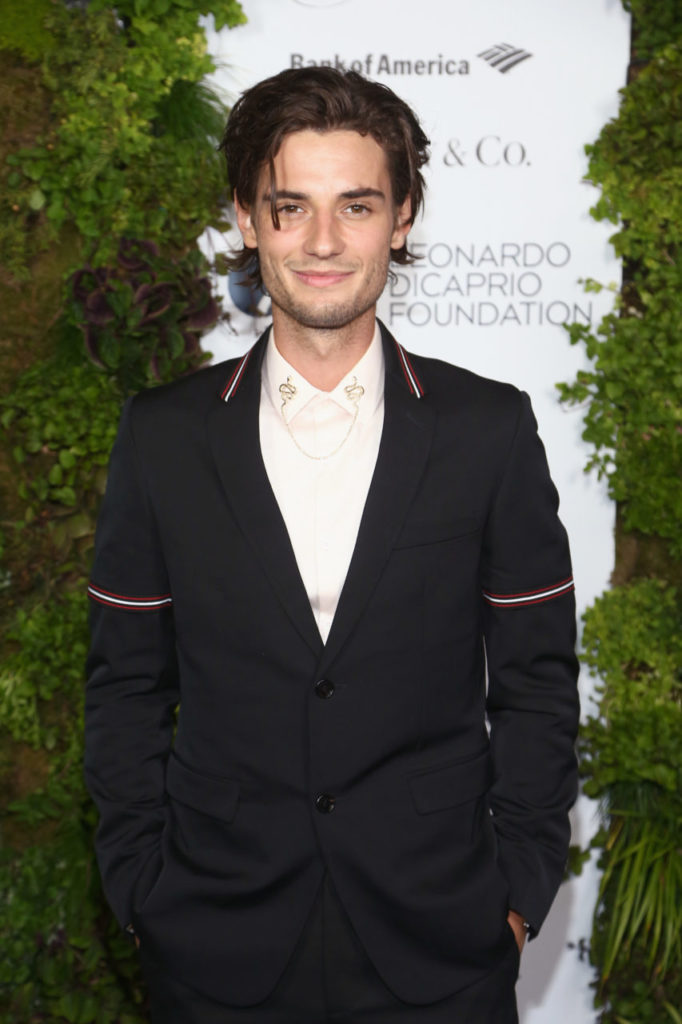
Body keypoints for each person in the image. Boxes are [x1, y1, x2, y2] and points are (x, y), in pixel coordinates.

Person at [85, 67, 579, 1023]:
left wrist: (515, 893)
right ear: (245, 219)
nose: (320, 242)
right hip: (214, 941)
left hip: (441, 944)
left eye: (355, 206)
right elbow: (125, 687)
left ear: (401, 218)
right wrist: (141, 891)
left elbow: (537, 681)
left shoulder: (488, 428)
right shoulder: (164, 435)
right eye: (289, 207)